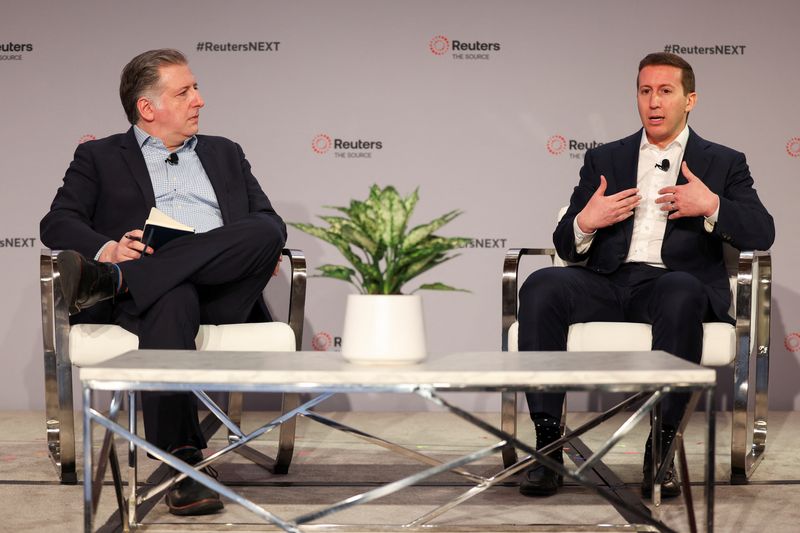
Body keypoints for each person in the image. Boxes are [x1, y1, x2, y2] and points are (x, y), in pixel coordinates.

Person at [516, 52, 774, 498]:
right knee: (542, 284)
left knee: (679, 290)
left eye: (666, 91)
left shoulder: (723, 162)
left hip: (672, 284)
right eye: (645, 91)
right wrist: (585, 222)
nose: (653, 102)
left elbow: (762, 231)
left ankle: (663, 448)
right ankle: (547, 447)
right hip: (607, 281)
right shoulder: (605, 158)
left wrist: (711, 206)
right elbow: (563, 243)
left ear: (690, 99)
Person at [40, 49, 286, 516]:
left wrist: (126, 269)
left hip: (223, 294)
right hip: (160, 304)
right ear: (147, 108)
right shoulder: (98, 156)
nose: (200, 100)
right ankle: (183, 464)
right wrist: (109, 248)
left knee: (266, 231)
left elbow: (267, 222)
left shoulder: (225, 152)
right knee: (173, 294)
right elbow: (57, 222)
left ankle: (121, 280)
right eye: (185, 91)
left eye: (195, 88)